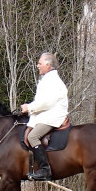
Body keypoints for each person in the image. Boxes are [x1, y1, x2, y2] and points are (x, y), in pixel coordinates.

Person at [20, 52, 69, 181]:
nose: (37, 66)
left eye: (40, 63)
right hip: (47, 114)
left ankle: (44, 169)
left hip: (52, 116)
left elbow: (47, 103)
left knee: (33, 136)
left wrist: (29, 108)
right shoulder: (47, 79)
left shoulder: (52, 81)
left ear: (48, 65)